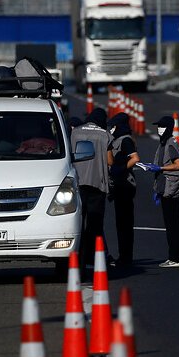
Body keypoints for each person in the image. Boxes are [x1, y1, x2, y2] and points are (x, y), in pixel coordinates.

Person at [71, 108, 112, 267]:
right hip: (98, 184)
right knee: (95, 224)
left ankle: (78, 258)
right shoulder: (105, 135)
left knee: (78, 223)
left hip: (78, 183)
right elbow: (110, 161)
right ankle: (95, 258)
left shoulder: (75, 133)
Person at [147, 115, 179, 268]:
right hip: (164, 188)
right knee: (169, 224)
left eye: (161, 126)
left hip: (171, 189)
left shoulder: (170, 144)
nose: (159, 129)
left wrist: (161, 168)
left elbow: (178, 165)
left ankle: (176, 257)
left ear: (168, 128)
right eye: (158, 126)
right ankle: (173, 256)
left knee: (172, 225)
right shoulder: (163, 143)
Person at [107, 112, 139, 268]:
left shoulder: (125, 140)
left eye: (113, 126)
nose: (111, 129)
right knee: (121, 223)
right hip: (119, 186)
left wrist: (120, 169)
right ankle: (123, 255)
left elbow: (135, 158)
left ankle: (126, 257)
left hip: (126, 185)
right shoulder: (116, 140)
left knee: (125, 223)